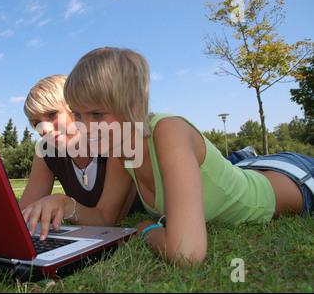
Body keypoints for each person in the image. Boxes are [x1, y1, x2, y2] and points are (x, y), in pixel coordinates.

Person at [63, 47, 314, 267]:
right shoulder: (119, 149)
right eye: (77, 114)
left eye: (97, 114)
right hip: (253, 168)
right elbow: (106, 217)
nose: (84, 127)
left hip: (297, 177)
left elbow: (187, 254)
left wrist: (145, 230)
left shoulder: (168, 130)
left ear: (134, 104)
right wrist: (64, 205)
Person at [20, 74, 138, 241]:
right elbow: (22, 215)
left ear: (76, 107)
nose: (44, 129)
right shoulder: (46, 151)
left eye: (52, 114)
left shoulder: (115, 141)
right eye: (35, 122)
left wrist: (65, 203)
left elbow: (108, 220)